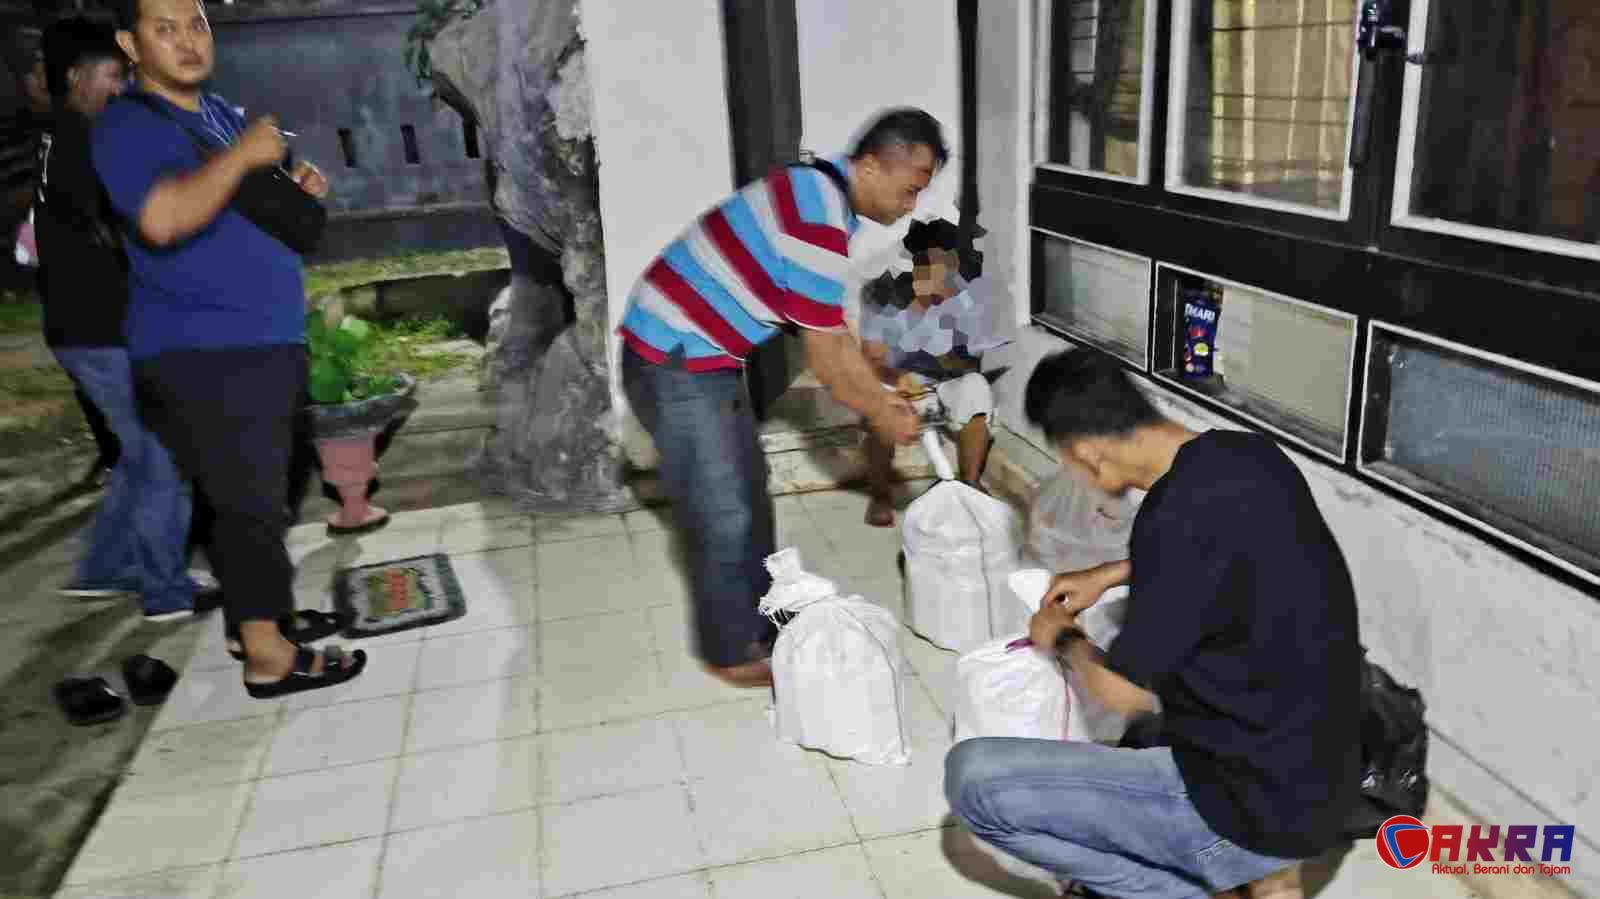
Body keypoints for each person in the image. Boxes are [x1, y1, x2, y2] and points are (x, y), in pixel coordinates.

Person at [944, 348, 1362, 899]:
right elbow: (1221, 553)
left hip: (1249, 809)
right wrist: (1111, 573)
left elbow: (1124, 694)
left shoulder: (1170, 523)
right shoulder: (1247, 454)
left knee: (971, 779)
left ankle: (1185, 888)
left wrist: (1061, 638)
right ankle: (1252, 875)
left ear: (1089, 454)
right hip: (1326, 781)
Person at [618, 108, 945, 688]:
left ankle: (760, 619)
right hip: (675, 358)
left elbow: (827, 329)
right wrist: (881, 411)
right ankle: (732, 649)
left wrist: (876, 388)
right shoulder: (817, 215)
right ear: (871, 165)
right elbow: (826, 353)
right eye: (911, 188)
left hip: (699, 356)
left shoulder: (817, 195)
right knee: (723, 508)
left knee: (745, 489)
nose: (911, 205)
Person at [93, 0, 364, 696]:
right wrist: (245, 155)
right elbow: (162, 217)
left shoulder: (214, 113)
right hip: (204, 350)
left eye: (197, 24)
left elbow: (228, 205)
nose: (188, 41)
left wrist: (289, 188)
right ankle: (268, 656)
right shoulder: (128, 124)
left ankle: (258, 620)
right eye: (165, 29)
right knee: (250, 506)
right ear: (130, 44)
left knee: (260, 494)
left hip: (261, 337)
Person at [38, 16, 199, 621]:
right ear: (76, 78)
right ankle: (164, 590)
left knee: (138, 453)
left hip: (79, 328)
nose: (121, 86)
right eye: (112, 74)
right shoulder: (85, 142)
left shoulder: (61, 135)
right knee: (162, 452)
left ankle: (104, 568)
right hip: (101, 330)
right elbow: (121, 231)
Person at [858, 217, 994, 526]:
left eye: (951, 268)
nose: (947, 276)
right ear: (916, 265)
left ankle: (970, 484)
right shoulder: (881, 294)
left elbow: (967, 363)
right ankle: (879, 495)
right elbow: (871, 360)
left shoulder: (963, 298)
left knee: (976, 387)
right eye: (935, 266)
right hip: (894, 381)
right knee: (878, 404)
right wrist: (898, 378)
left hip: (941, 384)